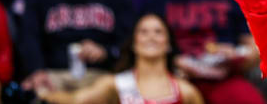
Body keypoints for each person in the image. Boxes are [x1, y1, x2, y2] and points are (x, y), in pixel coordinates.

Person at [146, 0, 266, 104]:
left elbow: (254, 45)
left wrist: (237, 56)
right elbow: (145, 42)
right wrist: (173, 61)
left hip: (225, 78)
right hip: (176, 77)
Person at [38, 13, 204, 104]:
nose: (150, 37)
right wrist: (43, 94)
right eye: (143, 32)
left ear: (168, 44)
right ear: (133, 43)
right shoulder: (115, 85)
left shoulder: (186, 92)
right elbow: (76, 101)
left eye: (158, 32)